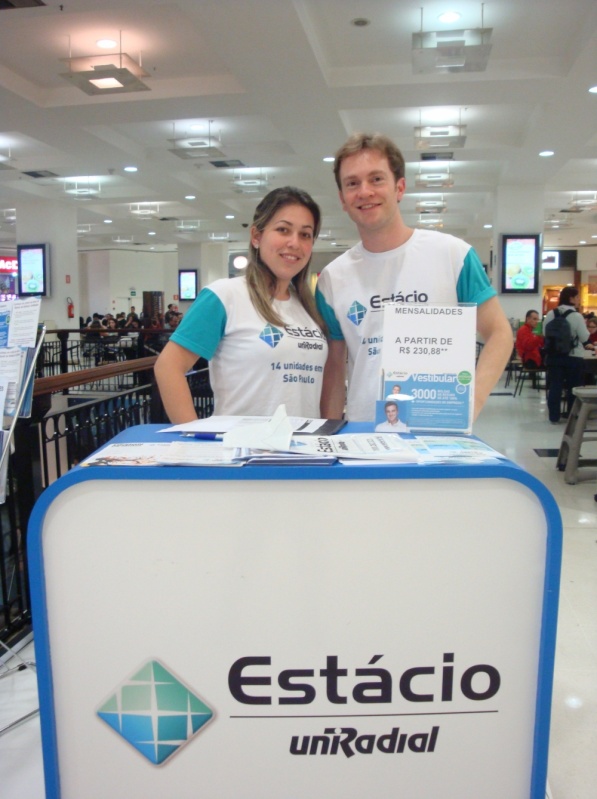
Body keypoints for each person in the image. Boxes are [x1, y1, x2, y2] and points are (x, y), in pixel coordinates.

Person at [315, 132, 513, 423]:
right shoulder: (333, 278)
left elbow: (499, 333)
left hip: (438, 431)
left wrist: (473, 402)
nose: (365, 191)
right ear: (343, 199)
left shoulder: (454, 256)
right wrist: (329, 437)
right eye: (352, 183)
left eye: (376, 179)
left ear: (400, 187)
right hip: (364, 436)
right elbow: (334, 367)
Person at [155, 186, 328, 422]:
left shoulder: (308, 307)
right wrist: (192, 436)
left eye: (305, 234)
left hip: (304, 450)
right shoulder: (224, 295)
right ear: (257, 236)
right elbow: (168, 367)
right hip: (242, 451)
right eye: (283, 230)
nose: (294, 242)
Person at [544, 286, 590, 424]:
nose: (578, 300)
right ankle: (571, 415)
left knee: (555, 386)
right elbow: (584, 337)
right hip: (573, 356)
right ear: (571, 298)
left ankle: (553, 416)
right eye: (577, 297)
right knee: (573, 387)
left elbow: (545, 334)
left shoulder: (551, 314)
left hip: (554, 356)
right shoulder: (576, 316)